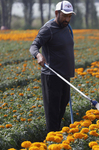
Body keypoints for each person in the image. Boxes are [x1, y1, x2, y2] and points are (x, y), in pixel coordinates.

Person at [29, 0, 76, 133]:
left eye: (70, 16)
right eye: (65, 15)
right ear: (57, 13)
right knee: (53, 112)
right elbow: (34, 46)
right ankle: (52, 140)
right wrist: (38, 55)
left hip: (65, 75)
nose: (67, 19)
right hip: (52, 76)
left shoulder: (67, 28)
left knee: (61, 109)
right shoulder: (48, 29)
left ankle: (57, 136)